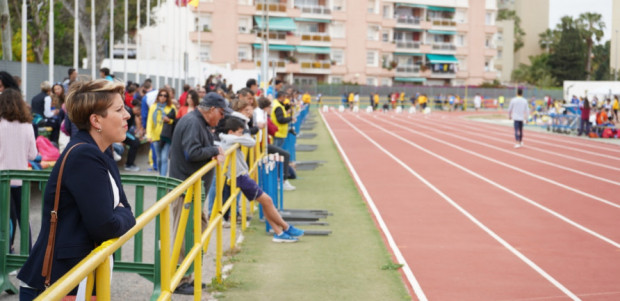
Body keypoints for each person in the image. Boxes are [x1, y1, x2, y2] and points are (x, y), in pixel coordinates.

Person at [17, 79, 136, 299]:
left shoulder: (100, 152)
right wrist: (126, 215)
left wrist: (123, 213)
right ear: (96, 120)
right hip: (60, 282)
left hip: (75, 278)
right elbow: (106, 226)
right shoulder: (85, 155)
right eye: (119, 109)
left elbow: (123, 209)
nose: (127, 114)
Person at [168, 92, 228, 295]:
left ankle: (186, 276)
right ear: (211, 109)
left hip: (192, 189)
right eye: (220, 113)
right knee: (184, 235)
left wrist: (213, 148)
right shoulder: (193, 122)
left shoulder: (198, 122)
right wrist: (215, 150)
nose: (222, 117)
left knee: (195, 231)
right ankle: (178, 280)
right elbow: (192, 153)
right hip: (185, 188)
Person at [219, 117, 304, 242]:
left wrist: (242, 135)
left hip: (241, 175)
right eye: (240, 132)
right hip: (239, 177)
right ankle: (286, 227)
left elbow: (248, 140)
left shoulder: (229, 138)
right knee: (267, 201)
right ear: (231, 132)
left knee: (265, 202)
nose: (242, 135)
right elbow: (251, 142)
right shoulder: (228, 140)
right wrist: (244, 135)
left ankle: (279, 233)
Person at [0, 89, 38, 255]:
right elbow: (33, 155)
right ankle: (28, 255)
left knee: (5, 219)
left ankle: (6, 254)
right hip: (22, 178)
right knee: (23, 218)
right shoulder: (27, 126)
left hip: (2, 179)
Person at [146, 88, 176, 176]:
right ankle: (160, 176)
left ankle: (163, 179)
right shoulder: (153, 107)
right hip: (155, 136)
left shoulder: (171, 107)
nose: (162, 97)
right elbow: (149, 121)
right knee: (159, 158)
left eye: (165, 96)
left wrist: (168, 120)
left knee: (164, 158)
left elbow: (175, 121)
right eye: (161, 95)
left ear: (168, 97)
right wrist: (149, 135)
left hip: (166, 136)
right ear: (158, 96)